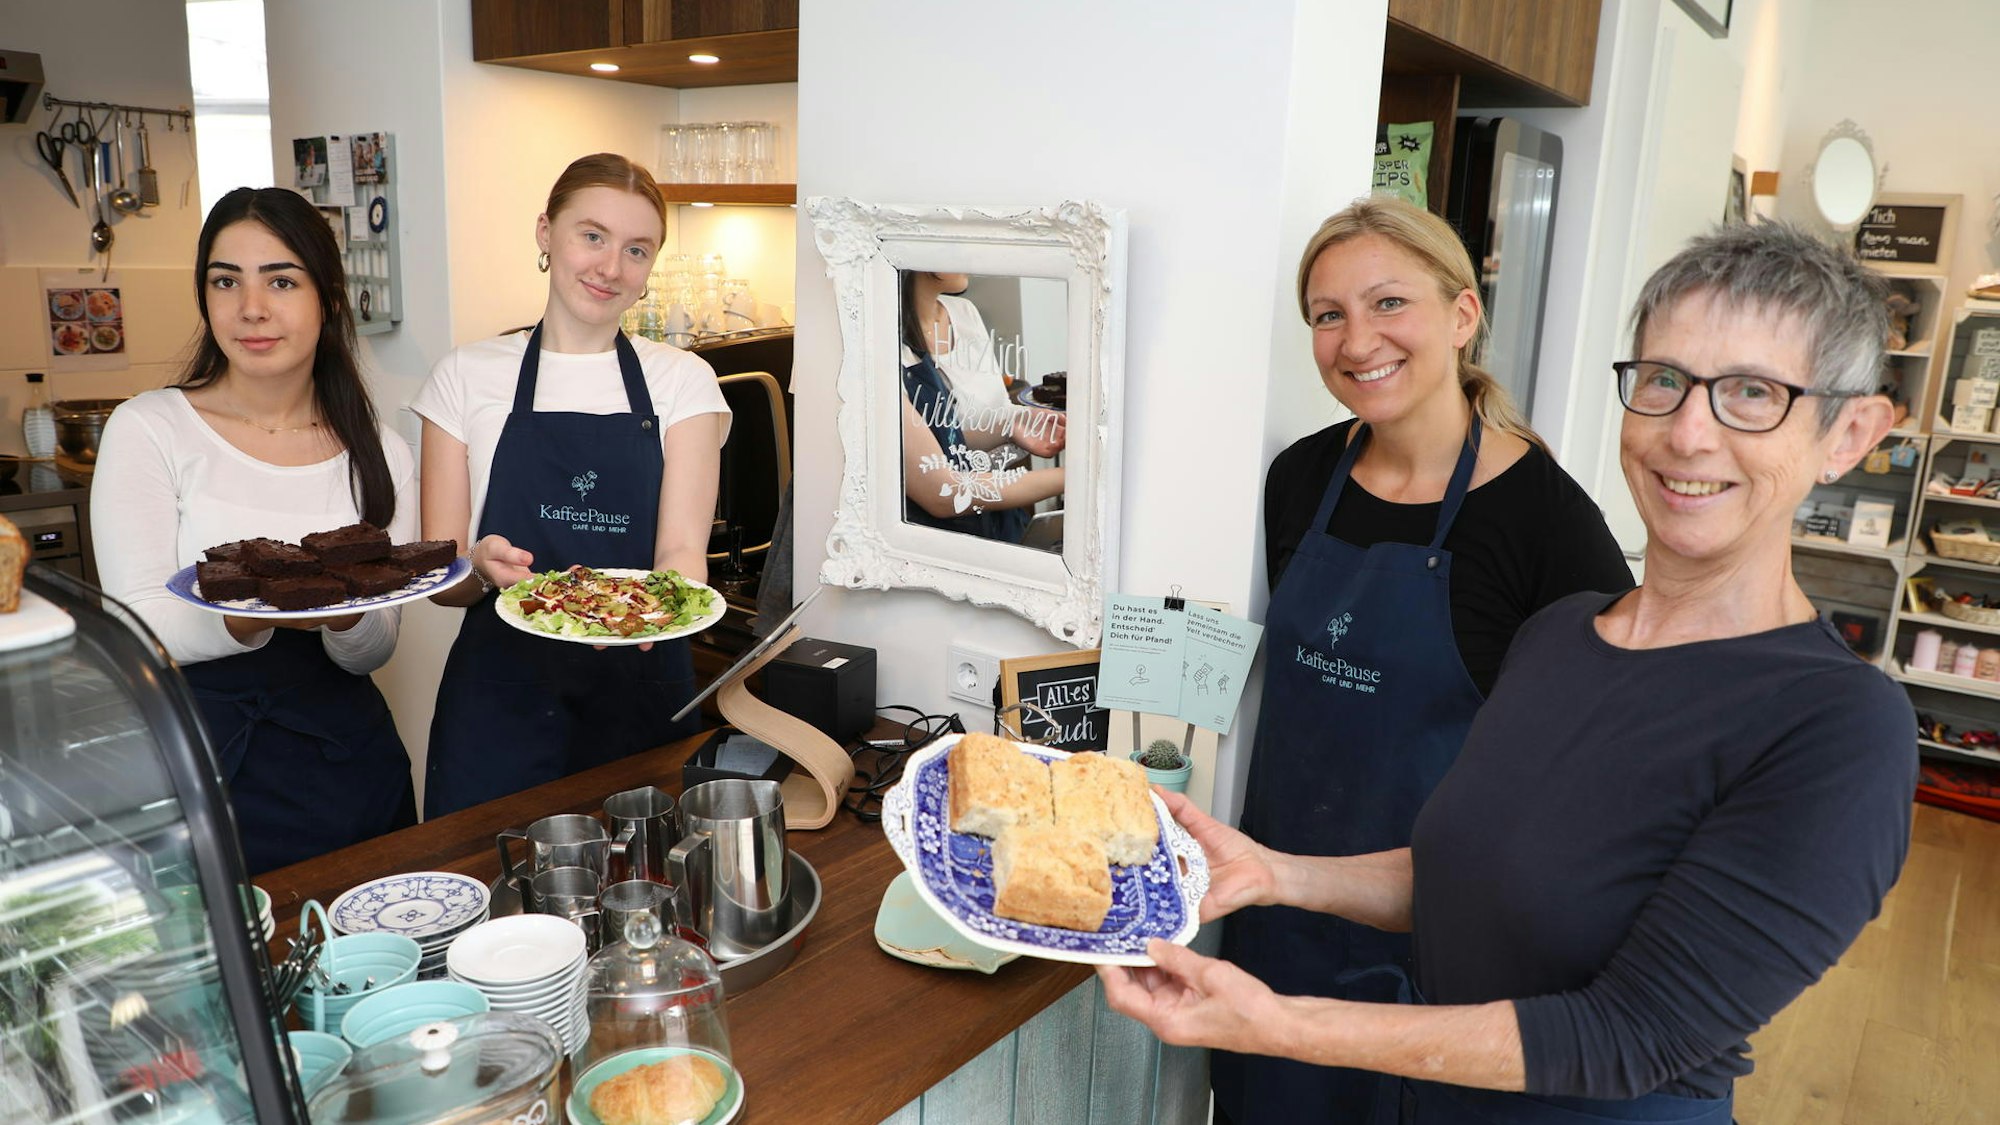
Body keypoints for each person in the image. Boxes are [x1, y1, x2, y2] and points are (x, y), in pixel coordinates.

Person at [1103, 221, 1917, 1125]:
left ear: (1849, 433)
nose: (1689, 433)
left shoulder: (1837, 726)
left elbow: (1630, 1034)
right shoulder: (1564, 636)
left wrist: (1282, 1022)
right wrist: (1276, 873)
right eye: (1663, 380)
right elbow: (1469, 878)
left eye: (1753, 394)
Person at [1215, 197, 1633, 1122]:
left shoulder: (1546, 525)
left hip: (1436, 952)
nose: (1357, 339)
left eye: (1388, 303)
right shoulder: (1299, 480)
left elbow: (1602, 761)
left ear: (1461, 313)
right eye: (1329, 315)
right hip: (1272, 917)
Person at [92, 186, 417, 874]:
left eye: (281, 280)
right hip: (203, 763)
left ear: (327, 298)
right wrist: (258, 614)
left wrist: (344, 616)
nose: (251, 309)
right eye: (225, 281)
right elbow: (138, 623)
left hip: (348, 760)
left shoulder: (378, 447)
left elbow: (373, 650)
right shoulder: (149, 428)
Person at [416, 153, 729, 817]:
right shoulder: (465, 376)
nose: (611, 267)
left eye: (636, 249)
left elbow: (680, 553)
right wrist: (475, 564)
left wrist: (661, 611)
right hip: (500, 705)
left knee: (643, 897)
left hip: (639, 690)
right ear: (545, 233)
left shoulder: (682, 380)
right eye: (592, 236)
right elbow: (444, 581)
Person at [899, 270, 1065, 544]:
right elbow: (943, 491)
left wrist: (1010, 425)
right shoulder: (883, 345)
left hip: (997, 520)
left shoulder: (964, 312)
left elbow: (946, 435)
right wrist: (1070, 478)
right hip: (945, 544)